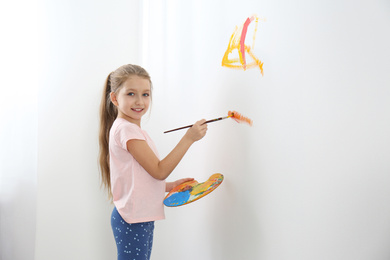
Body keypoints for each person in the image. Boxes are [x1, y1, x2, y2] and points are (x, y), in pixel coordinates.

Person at [98, 64, 208, 260]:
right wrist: (188, 138)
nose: (139, 101)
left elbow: (139, 177)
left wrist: (168, 186)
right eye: (131, 94)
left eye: (146, 94)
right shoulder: (127, 130)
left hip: (136, 216)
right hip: (133, 219)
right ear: (115, 98)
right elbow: (159, 170)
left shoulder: (130, 130)